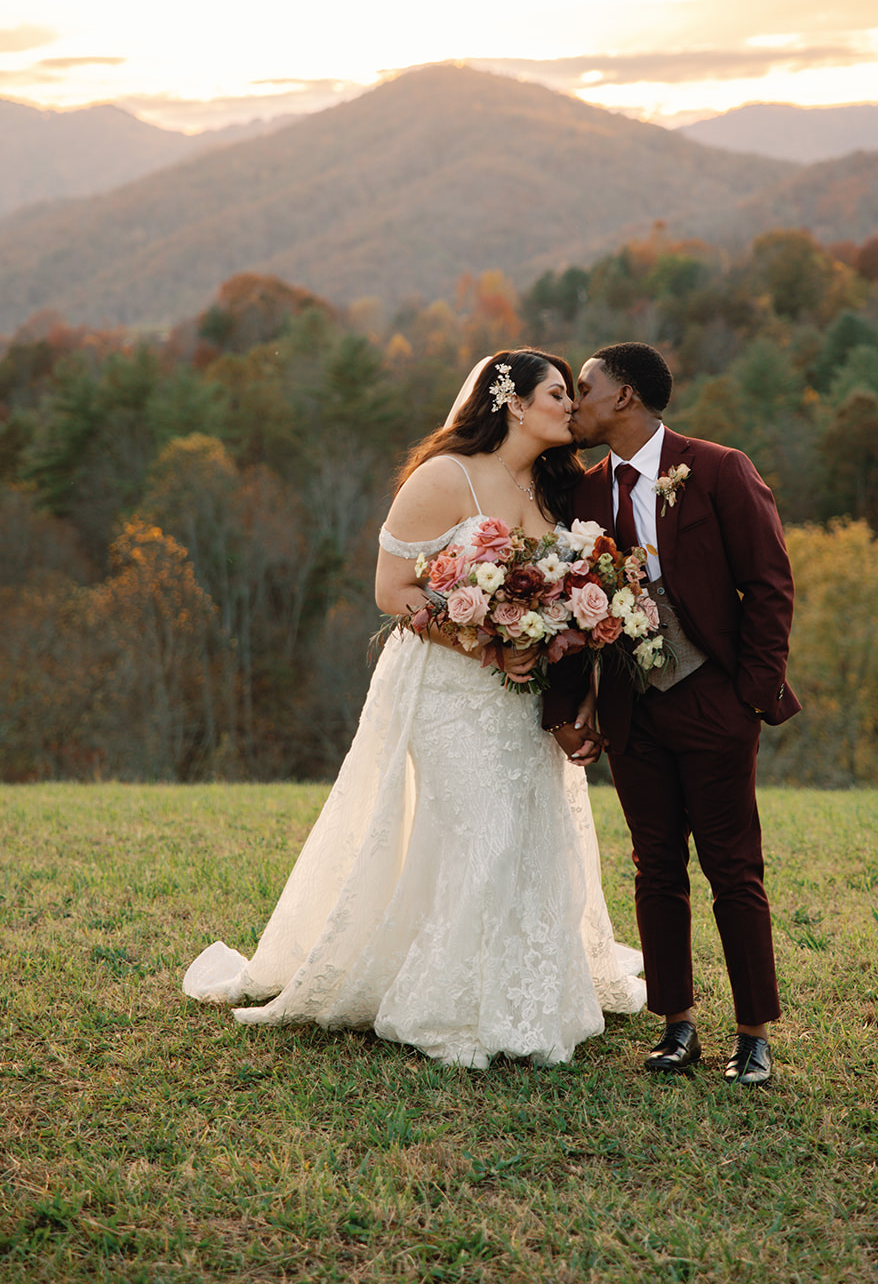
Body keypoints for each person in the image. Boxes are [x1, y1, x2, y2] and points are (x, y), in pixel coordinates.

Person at [183, 348, 644, 1068]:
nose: (571, 407)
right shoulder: (446, 477)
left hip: (523, 701)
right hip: (450, 691)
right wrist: (485, 646)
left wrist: (557, 666)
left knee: (528, 833)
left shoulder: (561, 490)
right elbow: (394, 591)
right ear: (515, 403)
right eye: (559, 393)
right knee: (478, 831)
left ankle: (524, 994)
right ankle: (446, 1002)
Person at [543, 342, 799, 1084]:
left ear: (623, 397)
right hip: (632, 710)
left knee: (732, 868)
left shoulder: (718, 468)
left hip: (716, 702)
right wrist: (568, 707)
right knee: (654, 868)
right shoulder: (585, 495)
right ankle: (675, 1024)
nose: (573, 403)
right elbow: (568, 605)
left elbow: (769, 585)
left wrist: (749, 693)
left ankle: (752, 1033)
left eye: (582, 389)